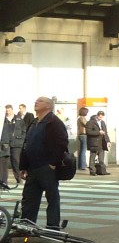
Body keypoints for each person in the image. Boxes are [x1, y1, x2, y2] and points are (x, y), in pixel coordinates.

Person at [18, 95, 69, 231]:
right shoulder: (34, 122)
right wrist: (23, 166)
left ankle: (52, 225)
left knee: (52, 196)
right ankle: (27, 224)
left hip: (47, 166)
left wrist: (53, 163)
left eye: (39, 101)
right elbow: (26, 144)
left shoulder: (54, 122)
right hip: (32, 167)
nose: (36, 102)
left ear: (48, 106)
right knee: (29, 198)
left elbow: (62, 143)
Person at [10, 103, 30, 185]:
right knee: (14, 161)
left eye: (20, 108)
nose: (19, 110)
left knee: (17, 160)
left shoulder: (27, 116)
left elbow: (24, 129)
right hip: (11, 142)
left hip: (20, 142)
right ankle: (18, 178)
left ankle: (22, 176)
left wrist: (21, 139)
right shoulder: (15, 117)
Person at [86, 110, 111, 175]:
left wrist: (108, 141)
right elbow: (88, 132)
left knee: (101, 157)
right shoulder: (90, 122)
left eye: (102, 117)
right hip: (94, 142)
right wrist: (98, 132)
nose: (101, 118)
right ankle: (92, 171)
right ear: (97, 116)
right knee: (93, 156)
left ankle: (102, 171)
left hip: (102, 142)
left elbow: (105, 132)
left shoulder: (102, 122)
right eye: (100, 116)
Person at [0, 104, 14, 189]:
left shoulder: (7, 122)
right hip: (4, 146)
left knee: (3, 166)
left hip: (4, 147)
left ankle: (3, 182)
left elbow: (10, 135)